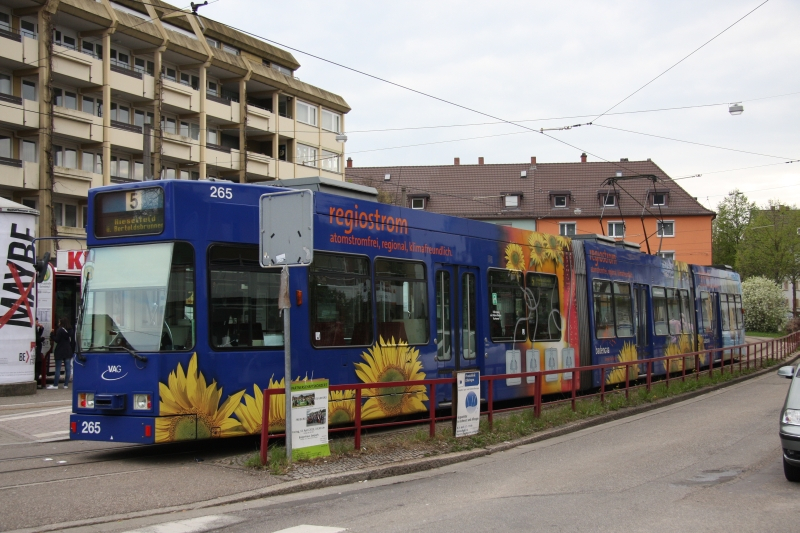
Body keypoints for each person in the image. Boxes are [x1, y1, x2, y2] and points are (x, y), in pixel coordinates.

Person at [47, 318, 73, 390]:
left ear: (61, 323)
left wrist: (52, 335)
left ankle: (55, 385)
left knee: (58, 368)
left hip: (60, 351)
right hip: (68, 350)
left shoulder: (60, 330)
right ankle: (66, 385)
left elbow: (57, 340)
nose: (58, 323)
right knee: (68, 368)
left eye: (59, 322)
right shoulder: (71, 330)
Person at [34, 320, 44, 388]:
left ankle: (36, 381)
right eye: (36, 322)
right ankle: (36, 383)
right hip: (36, 351)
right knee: (37, 368)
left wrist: (41, 329)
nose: (38, 323)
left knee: (38, 367)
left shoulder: (35, 329)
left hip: (38, 351)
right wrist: (42, 339)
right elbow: (38, 338)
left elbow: (38, 335)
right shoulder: (33, 329)